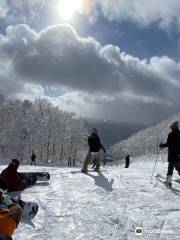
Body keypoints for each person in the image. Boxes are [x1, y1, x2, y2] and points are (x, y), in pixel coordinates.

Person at [159, 121, 180, 187]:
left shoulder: (171, 134)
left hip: (172, 156)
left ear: (173, 127)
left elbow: (169, 144)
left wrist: (162, 145)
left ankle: (168, 182)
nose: (170, 128)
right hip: (179, 156)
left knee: (170, 169)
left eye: (171, 127)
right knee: (179, 168)